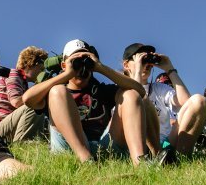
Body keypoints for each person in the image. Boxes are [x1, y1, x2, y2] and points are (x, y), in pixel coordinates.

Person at [23, 39, 151, 165]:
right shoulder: (56, 93)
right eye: (75, 61)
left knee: (130, 95)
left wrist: (101, 68)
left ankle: (141, 162)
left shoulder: (101, 90)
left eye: (85, 60)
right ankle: (86, 160)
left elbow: (139, 91)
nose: (81, 66)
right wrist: (67, 74)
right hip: (68, 149)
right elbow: (27, 99)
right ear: (63, 65)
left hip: (103, 147)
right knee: (57, 91)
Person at [122, 43, 206, 156]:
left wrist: (169, 69)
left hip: (164, 145)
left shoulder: (159, 89)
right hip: (138, 146)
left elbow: (185, 102)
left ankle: (180, 157)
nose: (146, 64)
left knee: (199, 101)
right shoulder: (122, 90)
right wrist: (137, 71)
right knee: (141, 100)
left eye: (148, 60)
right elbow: (136, 96)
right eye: (141, 59)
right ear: (126, 64)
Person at [0, 46, 49, 143]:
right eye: (41, 68)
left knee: (46, 123)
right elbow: (16, 102)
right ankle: (23, 148)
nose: (42, 72)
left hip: (7, 126)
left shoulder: (24, 84)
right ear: (32, 63)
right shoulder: (13, 74)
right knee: (33, 105)